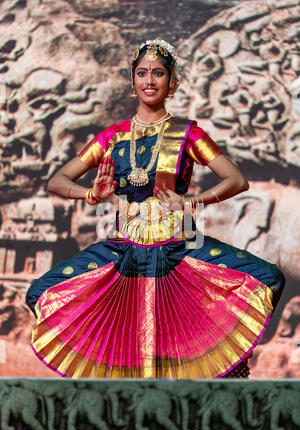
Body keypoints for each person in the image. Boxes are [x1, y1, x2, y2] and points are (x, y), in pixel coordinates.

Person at [26, 39, 285, 379]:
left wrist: (191, 202)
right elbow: (57, 181)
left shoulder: (188, 134)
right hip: (124, 248)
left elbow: (236, 180)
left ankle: (223, 364)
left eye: (158, 73)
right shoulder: (112, 138)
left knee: (267, 278)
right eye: (142, 73)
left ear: (171, 81)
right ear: (133, 82)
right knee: (41, 291)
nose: (150, 81)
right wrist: (92, 194)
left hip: (179, 243)